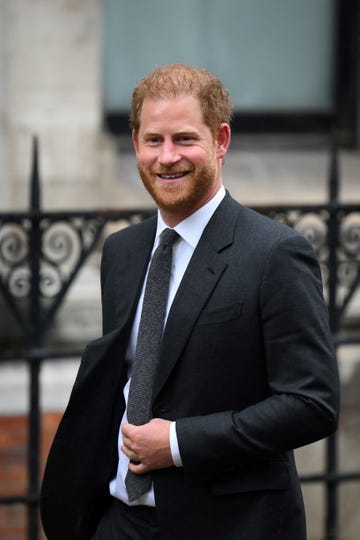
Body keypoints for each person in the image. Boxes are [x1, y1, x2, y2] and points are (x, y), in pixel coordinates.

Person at [41, 63, 340, 540]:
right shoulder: (122, 251)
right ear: (135, 141)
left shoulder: (275, 254)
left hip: (228, 526)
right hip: (119, 522)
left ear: (221, 140)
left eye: (185, 138)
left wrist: (178, 443)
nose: (167, 157)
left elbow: (311, 403)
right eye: (153, 140)